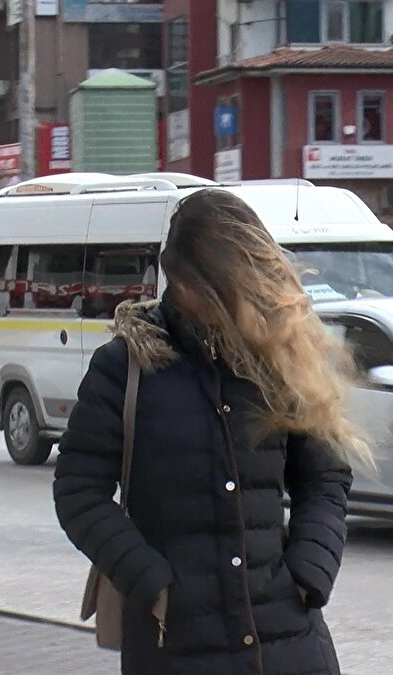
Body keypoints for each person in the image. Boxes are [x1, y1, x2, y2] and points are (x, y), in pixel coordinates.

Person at [54, 189, 369, 674]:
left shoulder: (278, 358)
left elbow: (325, 477)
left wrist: (309, 571)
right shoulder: (126, 368)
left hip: (285, 637)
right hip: (175, 643)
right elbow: (78, 491)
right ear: (178, 278)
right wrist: (151, 581)